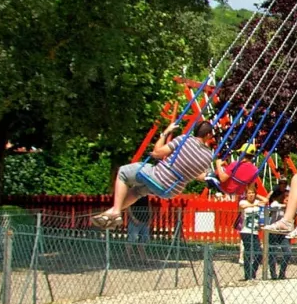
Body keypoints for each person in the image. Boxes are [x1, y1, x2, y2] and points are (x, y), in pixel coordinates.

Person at [93, 120, 228, 227]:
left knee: (123, 172)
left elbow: (157, 153)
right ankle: (110, 214)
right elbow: (196, 175)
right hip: (171, 190)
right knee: (137, 192)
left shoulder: (184, 139)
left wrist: (165, 133)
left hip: (157, 177)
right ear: (209, 135)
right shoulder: (208, 157)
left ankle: (116, 211)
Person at [263, 183, 291, 279]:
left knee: (287, 252)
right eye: (286, 197)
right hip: (274, 232)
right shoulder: (276, 203)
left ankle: (282, 273)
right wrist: (284, 206)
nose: (288, 199)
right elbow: (273, 206)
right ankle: (273, 274)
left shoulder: (291, 208)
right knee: (272, 254)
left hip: (284, 233)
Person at [237, 188, 265, 281]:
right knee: (248, 253)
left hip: (255, 232)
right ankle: (247, 275)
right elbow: (242, 207)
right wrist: (254, 204)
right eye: (249, 193)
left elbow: (265, 200)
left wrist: (256, 196)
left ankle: (252, 272)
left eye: (253, 193)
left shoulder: (258, 202)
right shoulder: (243, 202)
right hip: (246, 231)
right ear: (246, 194)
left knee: (258, 253)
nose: (251, 195)